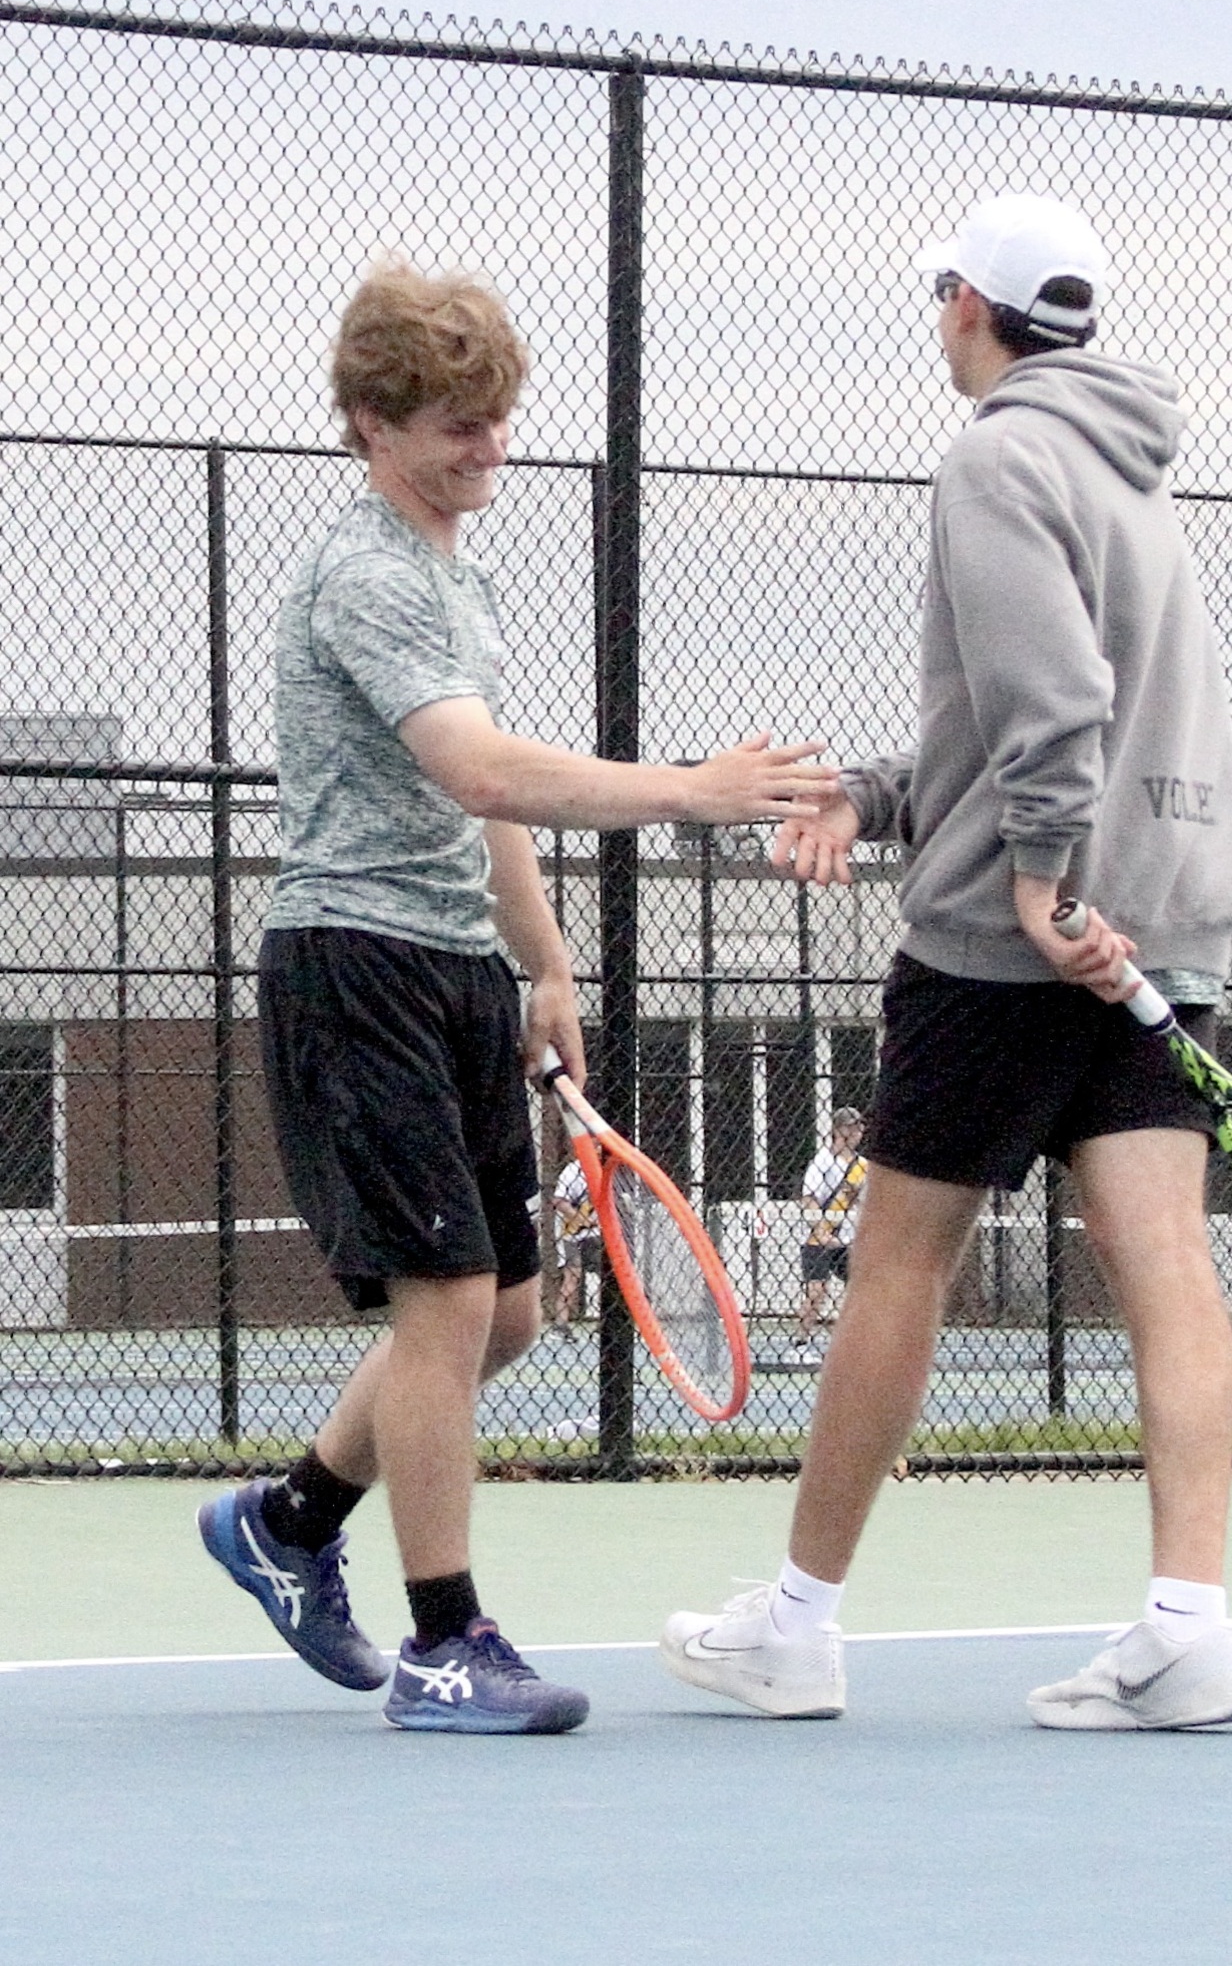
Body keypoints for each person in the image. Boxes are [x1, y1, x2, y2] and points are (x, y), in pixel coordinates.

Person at [197, 261, 836, 1735]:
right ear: (367, 422)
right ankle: (444, 1643)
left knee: (507, 1319)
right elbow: (484, 768)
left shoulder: (455, 579)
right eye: (454, 424)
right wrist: (695, 792)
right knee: (446, 1307)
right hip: (353, 961)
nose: (489, 447)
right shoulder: (363, 576)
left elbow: (480, 809)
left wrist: (542, 965)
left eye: (497, 418)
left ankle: (288, 1523)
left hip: (457, 970)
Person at [661, 194, 1232, 1732]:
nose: (940, 320)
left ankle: (796, 1626)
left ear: (969, 308)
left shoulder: (996, 455)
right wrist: (875, 794)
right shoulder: (1135, 476)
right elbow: (1024, 730)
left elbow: (1052, 704)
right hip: (1162, 927)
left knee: (898, 1260)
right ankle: (1192, 1624)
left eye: (944, 296)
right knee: (1168, 1262)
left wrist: (1048, 888)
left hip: (1017, 938)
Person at [794, 1108, 866, 1342]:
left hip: (845, 1239)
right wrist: (821, 1232)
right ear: (838, 1130)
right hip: (818, 1237)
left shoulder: (862, 1166)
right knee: (817, 1292)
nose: (858, 1132)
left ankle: (855, 1338)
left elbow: (860, 1203)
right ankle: (801, 1340)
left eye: (858, 1127)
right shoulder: (823, 1162)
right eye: (851, 1127)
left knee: (863, 1287)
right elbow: (810, 1199)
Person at [551, 1156, 601, 1332]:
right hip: (571, 1233)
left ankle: (607, 1320)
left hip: (596, 1233)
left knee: (609, 1274)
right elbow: (559, 1201)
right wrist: (580, 1219)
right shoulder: (573, 1171)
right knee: (573, 1275)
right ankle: (561, 1323)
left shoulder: (605, 1170)